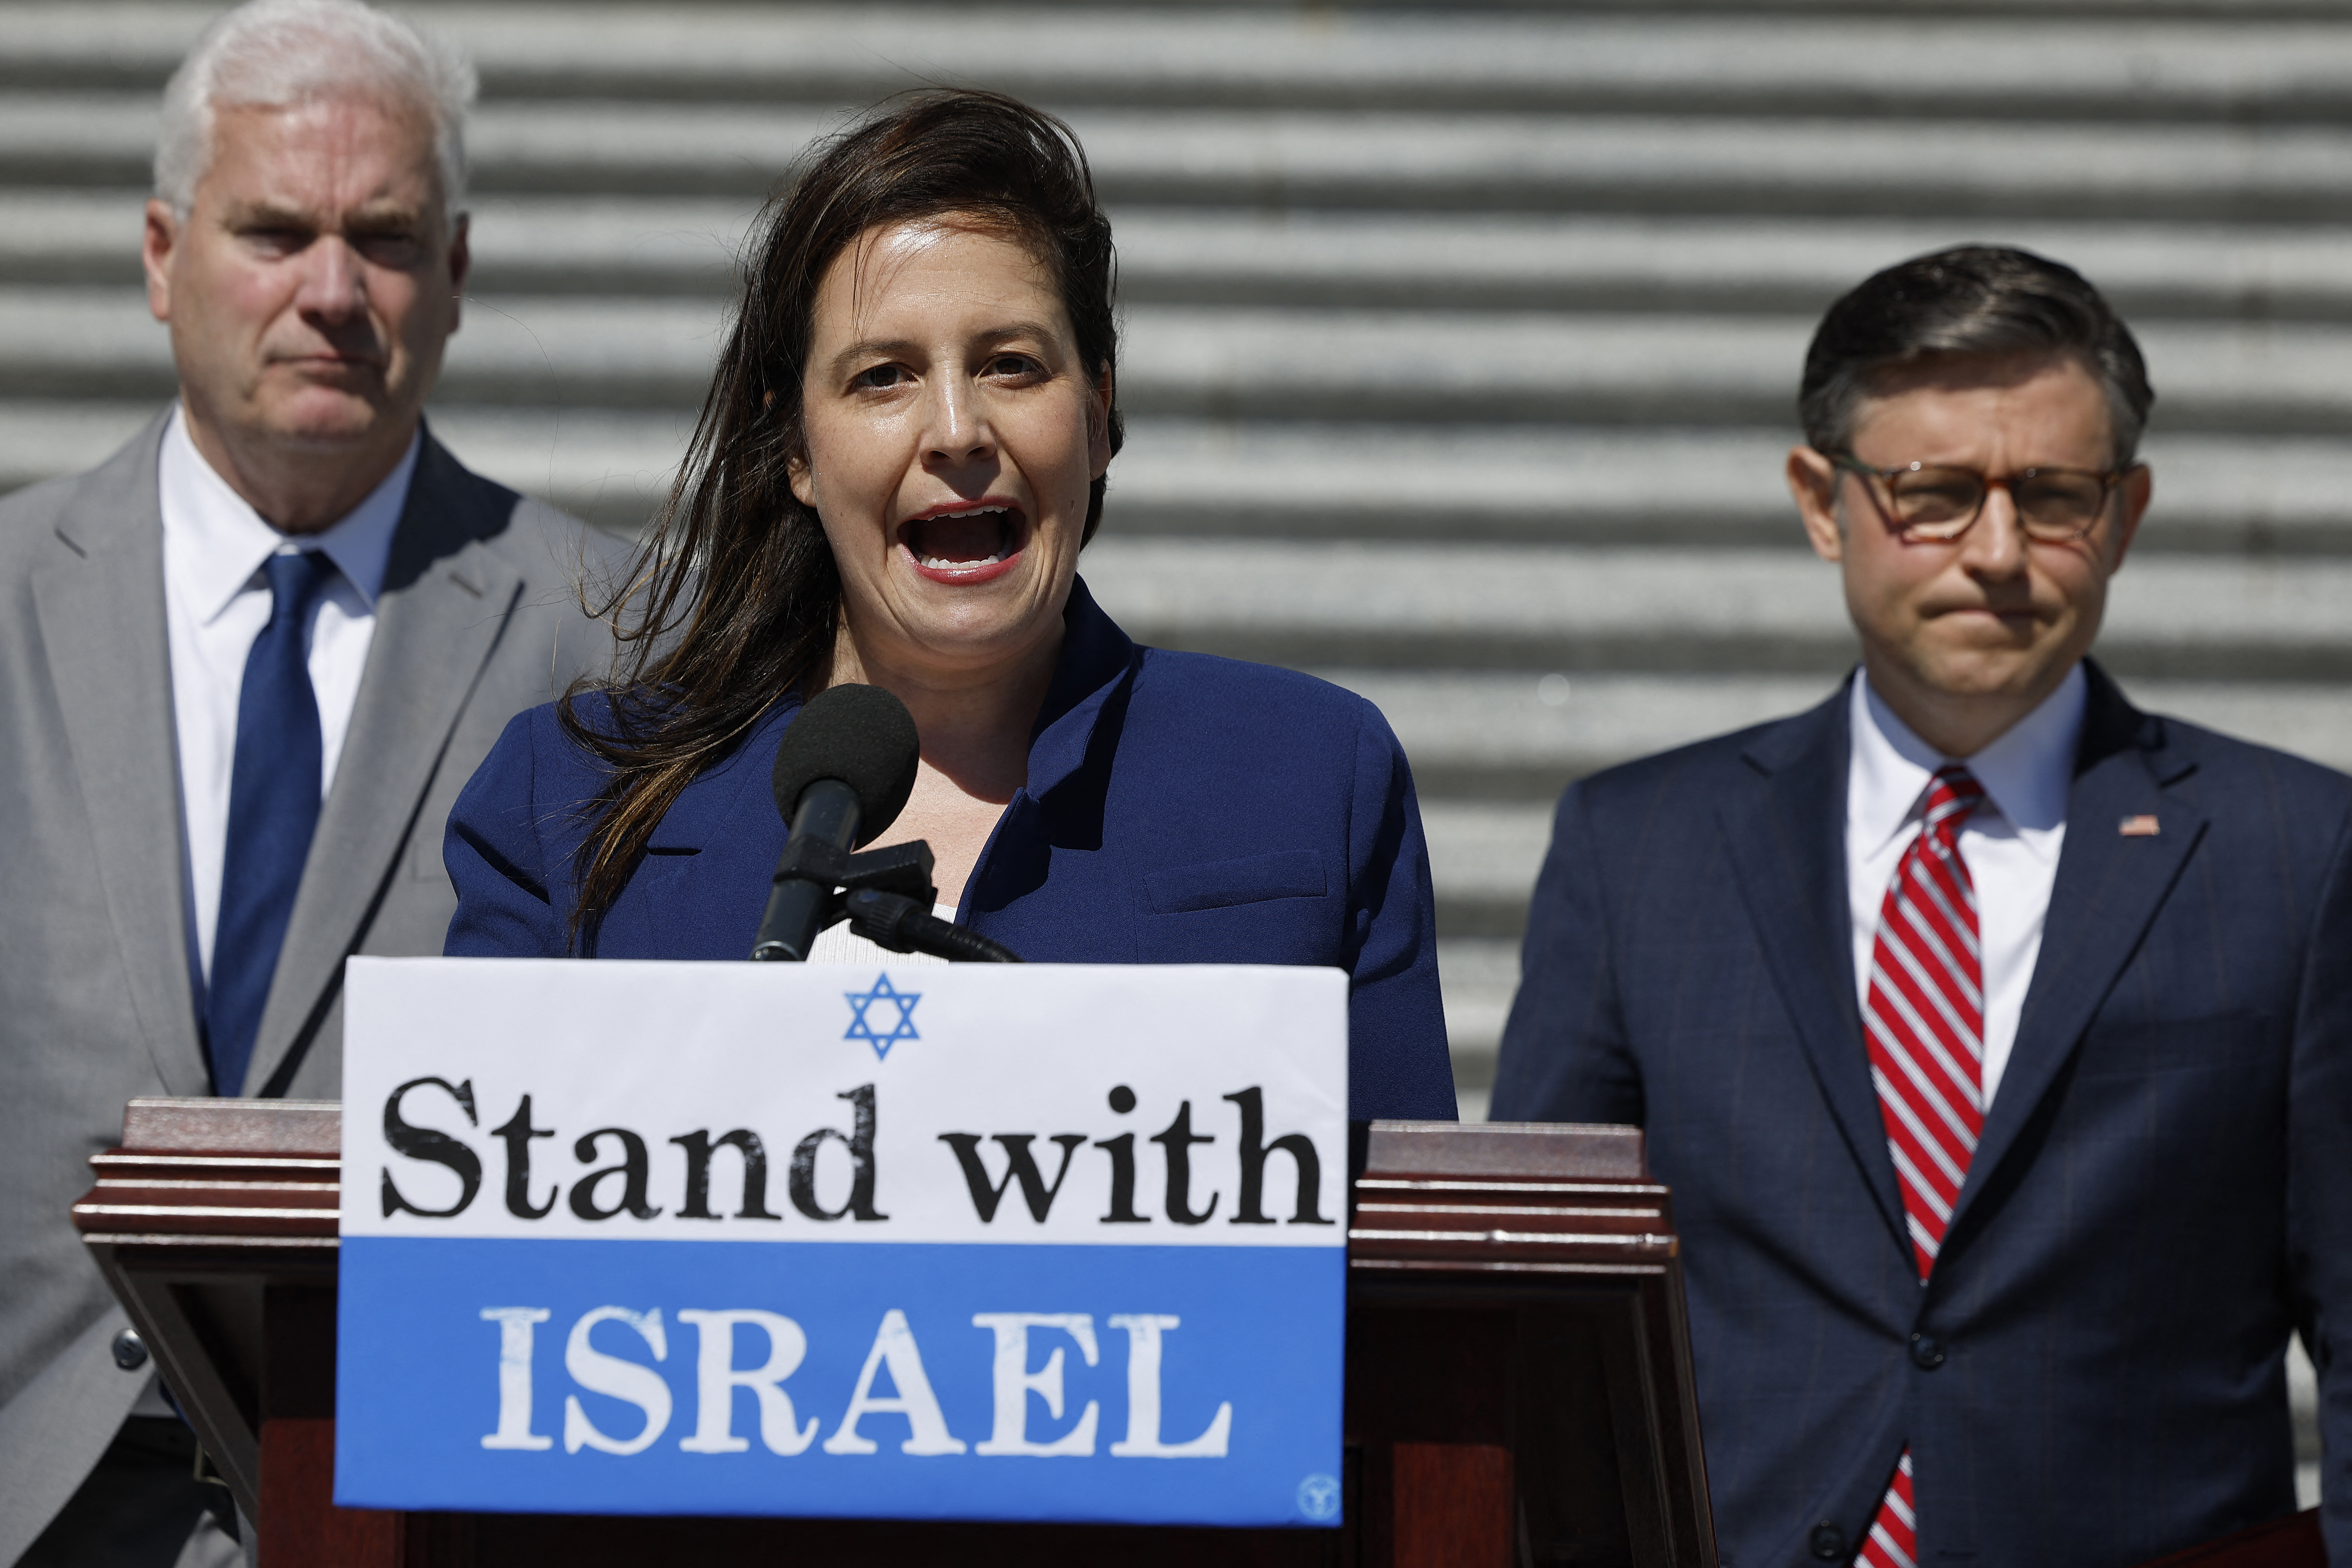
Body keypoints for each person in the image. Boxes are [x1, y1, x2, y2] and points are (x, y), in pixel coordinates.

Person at [1493, 247, 2350, 1567]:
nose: (1996, 553)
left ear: (2123, 515)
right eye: (1933, 495)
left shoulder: (2297, 852)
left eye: (2054, 497)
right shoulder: (1636, 849)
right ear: (1820, 502)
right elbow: (1543, 1324)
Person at [443, 90, 1456, 1125]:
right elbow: (458, 1247)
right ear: (795, 449)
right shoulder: (563, 802)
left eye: (1010, 366)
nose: (958, 430)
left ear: (1100, 415)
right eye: (883, 377)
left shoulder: (1309, 774)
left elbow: (1426, 1260)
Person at [0, 3, 616, 1562]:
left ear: (457, 274)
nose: (332, 292)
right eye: (275, 230)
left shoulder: (612, 642)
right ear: (160, 255)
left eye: (386, 239)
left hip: (413, 1498)